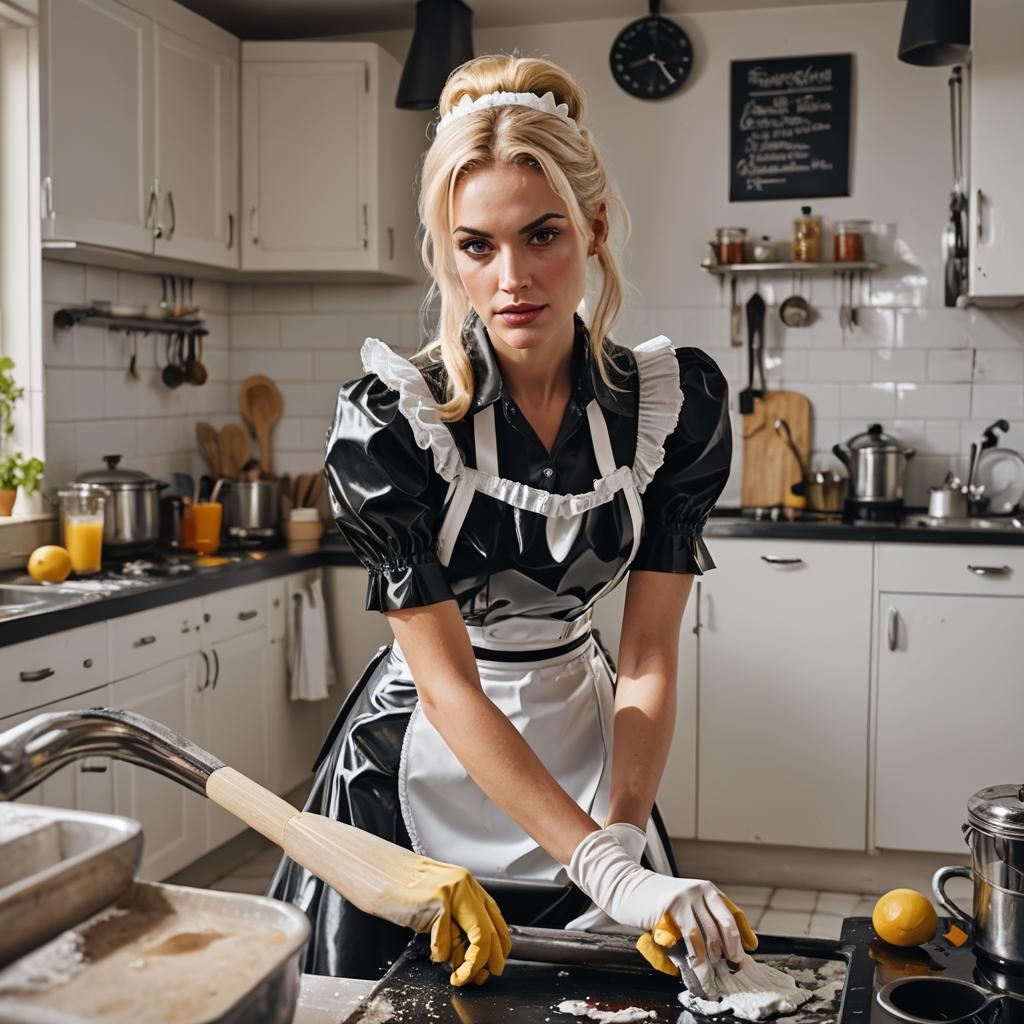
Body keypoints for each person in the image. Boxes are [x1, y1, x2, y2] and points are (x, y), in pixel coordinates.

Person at [269, 53, 755, 986]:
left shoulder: (670, 406)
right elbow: (449, 687)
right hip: (414, 756)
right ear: (444, 254)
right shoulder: (392, 423)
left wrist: (617, 835)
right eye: (477, 246)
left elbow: (648, 653)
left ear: (596, 227)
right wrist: (605, 864)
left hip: (590, 749)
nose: (511, 279)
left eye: (543, 235)